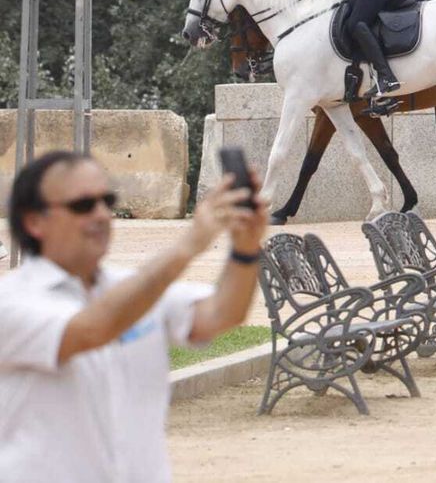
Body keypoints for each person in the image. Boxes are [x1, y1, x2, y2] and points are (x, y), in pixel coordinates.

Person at [0, 150, 267, 482]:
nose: (100, 215)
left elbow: (222, 313)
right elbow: (91, 330)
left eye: (106, 201)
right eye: (82, 205)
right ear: (33, 221)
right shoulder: (11, 303)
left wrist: (245, 247)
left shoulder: (130, 288)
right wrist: (188, 245)